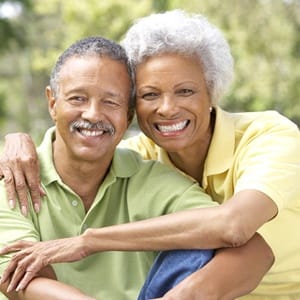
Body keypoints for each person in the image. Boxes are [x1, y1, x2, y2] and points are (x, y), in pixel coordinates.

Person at [1, 9, 299, 299]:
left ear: (212, 92)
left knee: (192, 245)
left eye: (185, 91)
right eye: (150, 94)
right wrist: (15, 142)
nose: (167, 108)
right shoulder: (137, 157)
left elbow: (235, 228)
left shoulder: (268, 135)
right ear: (134, 107)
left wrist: (88, 242)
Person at [0, 35, 224, 300]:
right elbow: (17, 279)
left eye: (111, 102)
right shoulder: (14, 178)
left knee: (199, 245)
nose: (93, 114)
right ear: (52, 103)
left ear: (128, 114)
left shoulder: (153, 181)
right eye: (77, 98)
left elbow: (237, 238)